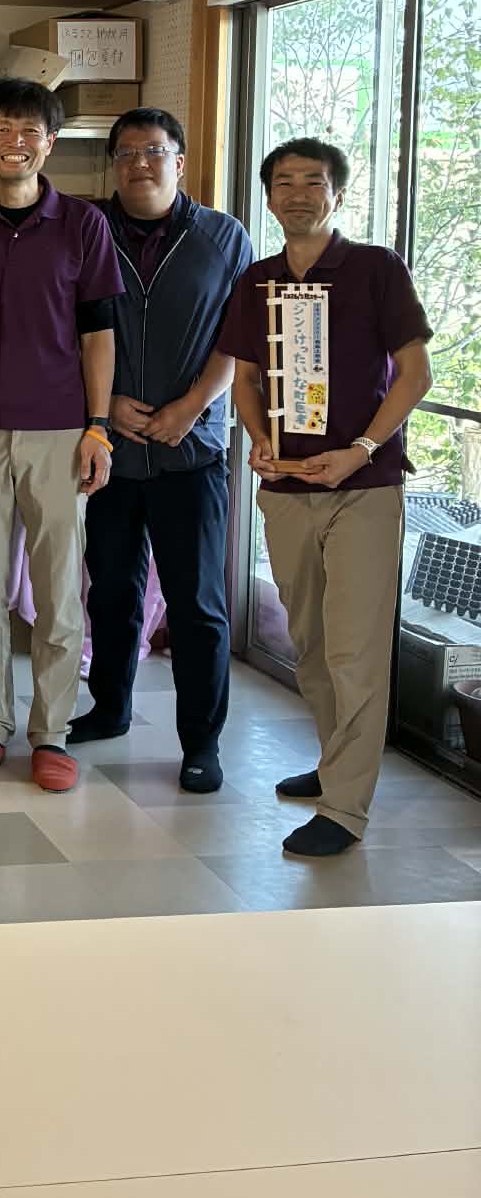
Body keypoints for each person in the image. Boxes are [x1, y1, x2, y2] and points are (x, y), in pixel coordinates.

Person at [217, 137, 432, 858]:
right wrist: (259, 440)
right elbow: (247, 380)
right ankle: (335, 759)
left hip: (363, 488)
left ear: (337, 194)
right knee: (308, 639)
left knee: (354, 649)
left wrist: (362, 449)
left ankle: (345, 807)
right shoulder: (258, 280)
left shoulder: (375, 269)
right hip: (285, 488)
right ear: (269, 198)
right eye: (285, 183)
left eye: (314, 182)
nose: (299, 194)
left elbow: (414, 374)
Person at [0, 78, 123, 794]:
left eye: (30, 131)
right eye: (2, 129)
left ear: (50, 142)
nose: (15, 143)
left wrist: (98, 426)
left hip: (60, 431)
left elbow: (99, 333)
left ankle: (52, 732)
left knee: (59, 594)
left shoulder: (83, 224)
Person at [69, 109, 253, 794]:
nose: (139, 164)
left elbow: (239, 336)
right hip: (111, 449)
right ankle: (109, 708)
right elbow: (67, 326)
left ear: (179, 159)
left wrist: (193, 405)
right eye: (125, 153)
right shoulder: (89, 229)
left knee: (197, 604)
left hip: (191, 451)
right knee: (111, 591)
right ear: (112, 165)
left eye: (153, 151)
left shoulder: (222, 236)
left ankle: (201, 742)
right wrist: (106, 403)